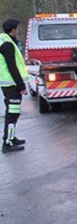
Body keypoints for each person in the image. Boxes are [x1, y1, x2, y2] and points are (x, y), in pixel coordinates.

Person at [0, 19, 29, 153]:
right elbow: (13, 67)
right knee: (12, 114)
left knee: (13, 113)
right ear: (13, 30)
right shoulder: (8, 44)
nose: (18, 31)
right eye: (17, 28)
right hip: (11, 85)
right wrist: (22, 86)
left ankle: (11, 137)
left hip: (9, 84)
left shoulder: (4, 40)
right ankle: (8, 142)